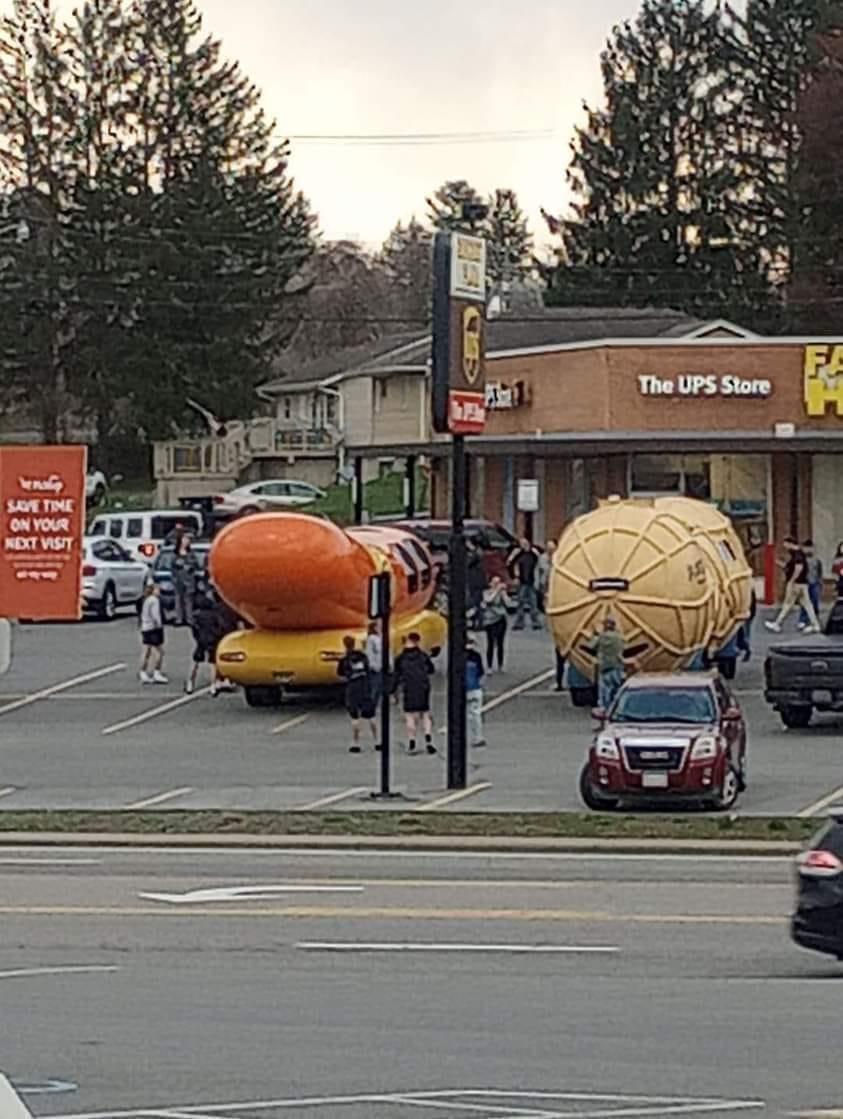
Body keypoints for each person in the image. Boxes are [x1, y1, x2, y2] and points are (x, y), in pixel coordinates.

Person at [765, 536, 820, 634]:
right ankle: (815, 625)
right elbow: (791, 567)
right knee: (807, 605)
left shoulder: (797, 555)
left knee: (788, 604)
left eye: (785, 544)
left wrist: (792, 581)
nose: (785, 547)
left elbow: (799, 568)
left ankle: (777, 623)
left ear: (790, 543)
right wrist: (780, 564)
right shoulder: (798, 554)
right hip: (802, 584)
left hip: (796, 583)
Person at [393, 631, 435, 755]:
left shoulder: (400, 658)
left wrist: (392, 690)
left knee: (410, 715)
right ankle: (428, 738)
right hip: (423, 686)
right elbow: (431, 669)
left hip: (409, 687)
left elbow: (396, 675)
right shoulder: (423, 655)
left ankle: (412, 740)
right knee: (425, 714)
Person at [336, 636, 378, 753]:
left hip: (353, 689)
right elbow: (369, 670)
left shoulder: (344, 660)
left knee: (355, 717)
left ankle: (356, 743)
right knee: (371, 716)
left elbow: (340, 674)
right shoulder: (363, 657)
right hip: (364, 687)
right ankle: (377, 741)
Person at [586, 616, 626, 711]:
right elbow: (623, 647)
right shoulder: (618, 637)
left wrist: (595, 635)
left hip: (605, 667)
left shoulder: (601, 638)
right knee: (617, 688)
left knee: (605, 690)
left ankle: (605, 708)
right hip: (617, 666)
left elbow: (591, 646)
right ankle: (617, 707)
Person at [481, 575, 514, 673]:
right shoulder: (486, 592)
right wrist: (496, 591)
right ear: (490, 584)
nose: (497, 585)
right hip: (490, 620)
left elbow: (509, 604)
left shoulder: (501, 593)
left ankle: (501, 665)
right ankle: (489, 666)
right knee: (490, 643)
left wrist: (504, 594)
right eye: (494, 583)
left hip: (500, 619)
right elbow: (489, 600)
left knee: (501, 643)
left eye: (498, 582)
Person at [508, 537, 542, 630]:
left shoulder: (534, 552)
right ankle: (519, 622)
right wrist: (514, 577)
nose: (524, 545)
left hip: (532, 580)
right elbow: (510, 563)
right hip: (522, 581)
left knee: (533, 603)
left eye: (525, 543)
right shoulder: (517, 553)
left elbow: (539, 563)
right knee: (520, 602)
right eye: (521, 543)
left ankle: (535, 622)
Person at [139, 584, 167, 684]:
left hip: (145, 627)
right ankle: (157, 672)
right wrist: (159, 625)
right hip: (153, 628)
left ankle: (143, 672)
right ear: (153, 590)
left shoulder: (146, 600)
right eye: (157, 589)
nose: (159, 591)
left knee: (146, 651)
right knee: (159, 652)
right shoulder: (154, 600)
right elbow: (156, 615)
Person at [172, 533, 200, 628]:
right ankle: (179, 619)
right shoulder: (175, 553)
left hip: (189, 580)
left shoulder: (191, 553)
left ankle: (189, 619)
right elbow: (171, 565)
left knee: (188, 600)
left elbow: (195, 565)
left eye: (188, 540)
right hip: (178, 580)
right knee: (178, 599)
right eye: (184, 539)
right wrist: (178, 565)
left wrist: (189, 566)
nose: (186, 542)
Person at [465, 635, 486, 748]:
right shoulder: (476, 656)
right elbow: (481, 672)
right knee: (476, 714)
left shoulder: (458, 656)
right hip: (475, 688)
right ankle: (478, 737)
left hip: (463, 689)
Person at [799, 539, 824, 629]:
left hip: (815, 583)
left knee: (815, 601)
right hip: (805, 583)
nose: (808, 550)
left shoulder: (817, 560)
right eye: (806, 548)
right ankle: (802, 620)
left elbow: (819, 572)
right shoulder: (801, 559)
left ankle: (815, 619)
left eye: (810, 548)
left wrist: (820, 583)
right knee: (804, 603)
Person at [466, 541, 488, 629]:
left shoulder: (475, 554)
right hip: (477, 581)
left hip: (475, 582)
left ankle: (479, 623)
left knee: (476, 603)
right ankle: (478, 622)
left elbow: (469, 563)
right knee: (478, 603)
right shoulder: (479, 553)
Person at [364, 621, 383, 713]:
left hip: (380, 666)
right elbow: (370, 654)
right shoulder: (372, 639)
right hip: (376, 668)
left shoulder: (379, 638)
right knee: (374, 688)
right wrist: (373, 666)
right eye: (378, 627)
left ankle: (374, 706)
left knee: (378, 688)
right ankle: (371, 707)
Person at [735, 589, 757, 663]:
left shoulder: (747, 589)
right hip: (746, 613)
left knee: (744, 633)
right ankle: (744, 649)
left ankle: (746, 649)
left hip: (745, 613)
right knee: (744, 632)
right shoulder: (748, 586)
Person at [536, 539, 556, 615]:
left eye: (552, 548)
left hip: (555, 583)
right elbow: (539, 570)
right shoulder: (542, 558)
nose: (550, 549)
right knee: (545, 602)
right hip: (544, 583)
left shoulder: (558, 557)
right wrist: (537, 583)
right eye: (548, 547)